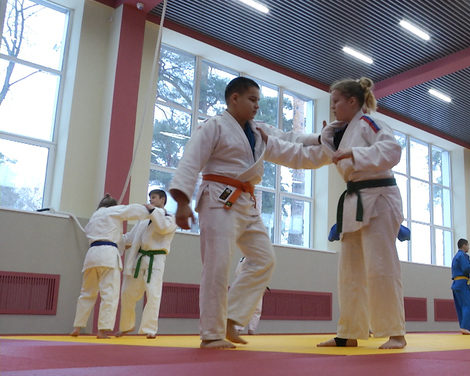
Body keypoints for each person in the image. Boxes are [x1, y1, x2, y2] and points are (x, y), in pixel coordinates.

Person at [169, 76, 329, 349]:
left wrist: (321, 139)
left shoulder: (257, 132)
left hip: (245, 201)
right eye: (252, 99)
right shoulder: (214, 126)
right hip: (218, 198)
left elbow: (289, 141)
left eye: (258, 100)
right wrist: (182, 201)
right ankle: (211, 333)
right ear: (234, 98)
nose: (257, 105)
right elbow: (190, 161)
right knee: (217, 267)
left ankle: (232, 318)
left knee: (263, 260)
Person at [291, 77, 406, 349]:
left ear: (352, 101)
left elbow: (392, 149)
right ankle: (349, 332)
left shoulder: (369, 123)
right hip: (355, 199)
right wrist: (330, 143)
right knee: (349, 270)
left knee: (381, 267)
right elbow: (323, 149)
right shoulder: (338, 131)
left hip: (379, 198)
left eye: (336, 101)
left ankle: (395, 332)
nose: (333, 107)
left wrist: (354, 154)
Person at [70, 195, 151, 338]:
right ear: (113, 205)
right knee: (109, 294)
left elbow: (97, 233)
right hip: (107, 254)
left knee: (87, 293)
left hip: (91, 255)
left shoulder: (94, 216)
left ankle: (77, 327)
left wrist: (120, 242)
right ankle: (103, 329)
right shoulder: (113, 211)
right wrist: (149, 210)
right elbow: (131, 210)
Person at [116, 189, 177, 339]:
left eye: (154, 198)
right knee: (127, 293)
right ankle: (126, 326)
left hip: (156, 259)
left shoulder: (170, 217)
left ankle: (149, 329)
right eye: (150, 198)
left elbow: (162, 228)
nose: (151, 201)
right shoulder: (144, 220)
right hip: (139, 259)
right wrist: (111, 239)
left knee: (153, 294)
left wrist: (153, 211)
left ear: (163, 200)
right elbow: (130, 238)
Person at [451, 238, 470, 334]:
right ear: (464, 245)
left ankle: (463, 326)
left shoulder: (457, 256)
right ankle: (465, 327)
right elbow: (465, 267)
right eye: (468, 245)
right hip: (462, 283)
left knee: (461, 306)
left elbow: (464, 265)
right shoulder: (463, 255)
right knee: (468, 305)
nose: (468, 247)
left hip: (456, 284)